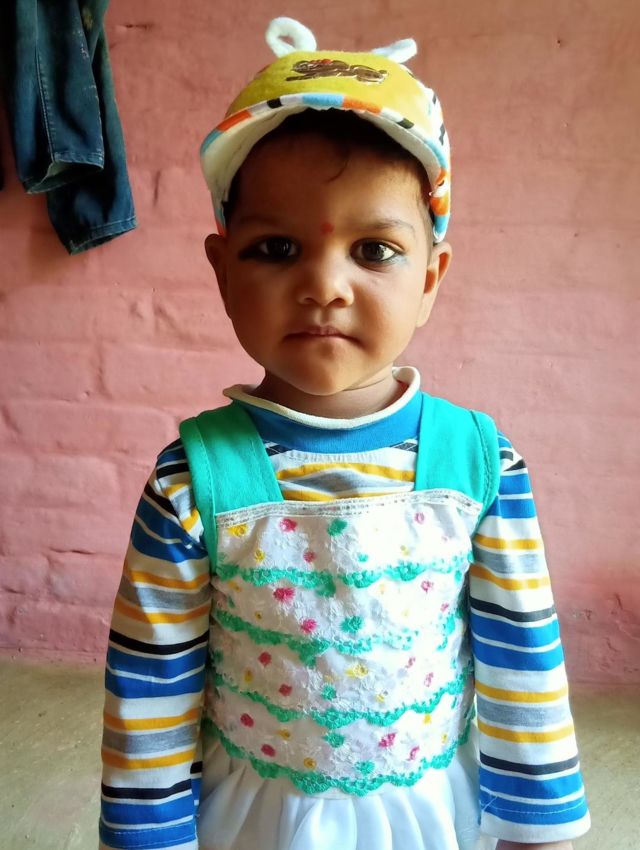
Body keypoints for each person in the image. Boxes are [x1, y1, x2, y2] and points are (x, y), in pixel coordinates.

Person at [99, 17, 590, 850]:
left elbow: (524, 665)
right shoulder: (192, 481)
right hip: (255, 817)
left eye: (375, 250)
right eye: (276, 246)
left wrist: (537, 831)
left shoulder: (480, 465)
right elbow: (150, 688)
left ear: (430, 277)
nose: (325, 285)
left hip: (428, 814)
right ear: (222, 272)